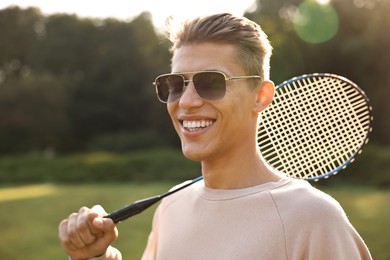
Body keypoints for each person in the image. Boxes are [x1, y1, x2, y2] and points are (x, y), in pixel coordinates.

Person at [58, 13, 372, 260]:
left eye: (211, 82)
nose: (186, 101)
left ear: (261, 97)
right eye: (176, 84)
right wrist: (94, 256)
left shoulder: (314, 219)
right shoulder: (171, 207)